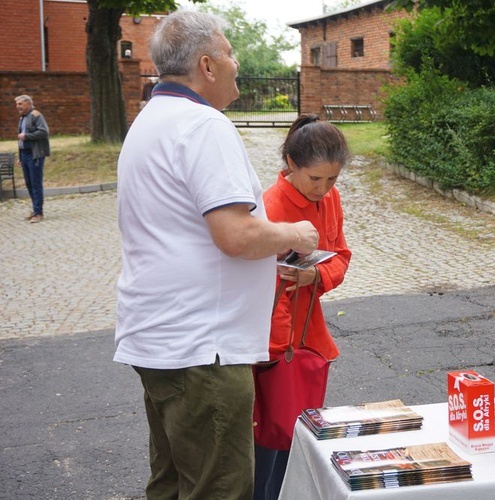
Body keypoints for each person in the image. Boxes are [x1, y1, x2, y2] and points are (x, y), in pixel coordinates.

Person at [114, 11, 318, 499]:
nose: (236, 61)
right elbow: (235, 234)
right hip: (203, 347)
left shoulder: (148, 122)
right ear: (206, 65)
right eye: (229, 52)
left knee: (171, 482)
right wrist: (296, 232)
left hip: (163, 338)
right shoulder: (203, 125)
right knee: (218, 488)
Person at [254, 114, 352, 500]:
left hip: (308, 337)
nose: (324, 189)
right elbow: (251, 280)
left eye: (332, 179)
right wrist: (276, 350)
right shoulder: (269, 205)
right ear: (292, 164)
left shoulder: (331, 199)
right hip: (272, 344)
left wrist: (319, 277)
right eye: (315, 179)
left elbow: (341, 255)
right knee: (269, 442)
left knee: (298, 441)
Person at [15, 95, 50, 223]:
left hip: (34, 154)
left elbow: (44, 132)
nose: (18, 106)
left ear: (28, 104)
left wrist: (27, 136)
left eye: (20, 104)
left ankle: (38, 213)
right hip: (24, 154)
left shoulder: (36, 115)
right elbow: (20, 140)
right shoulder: (23, 118)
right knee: (29, 184)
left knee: (35, 184)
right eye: (17, 104)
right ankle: (35, 210)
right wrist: (20, 157)